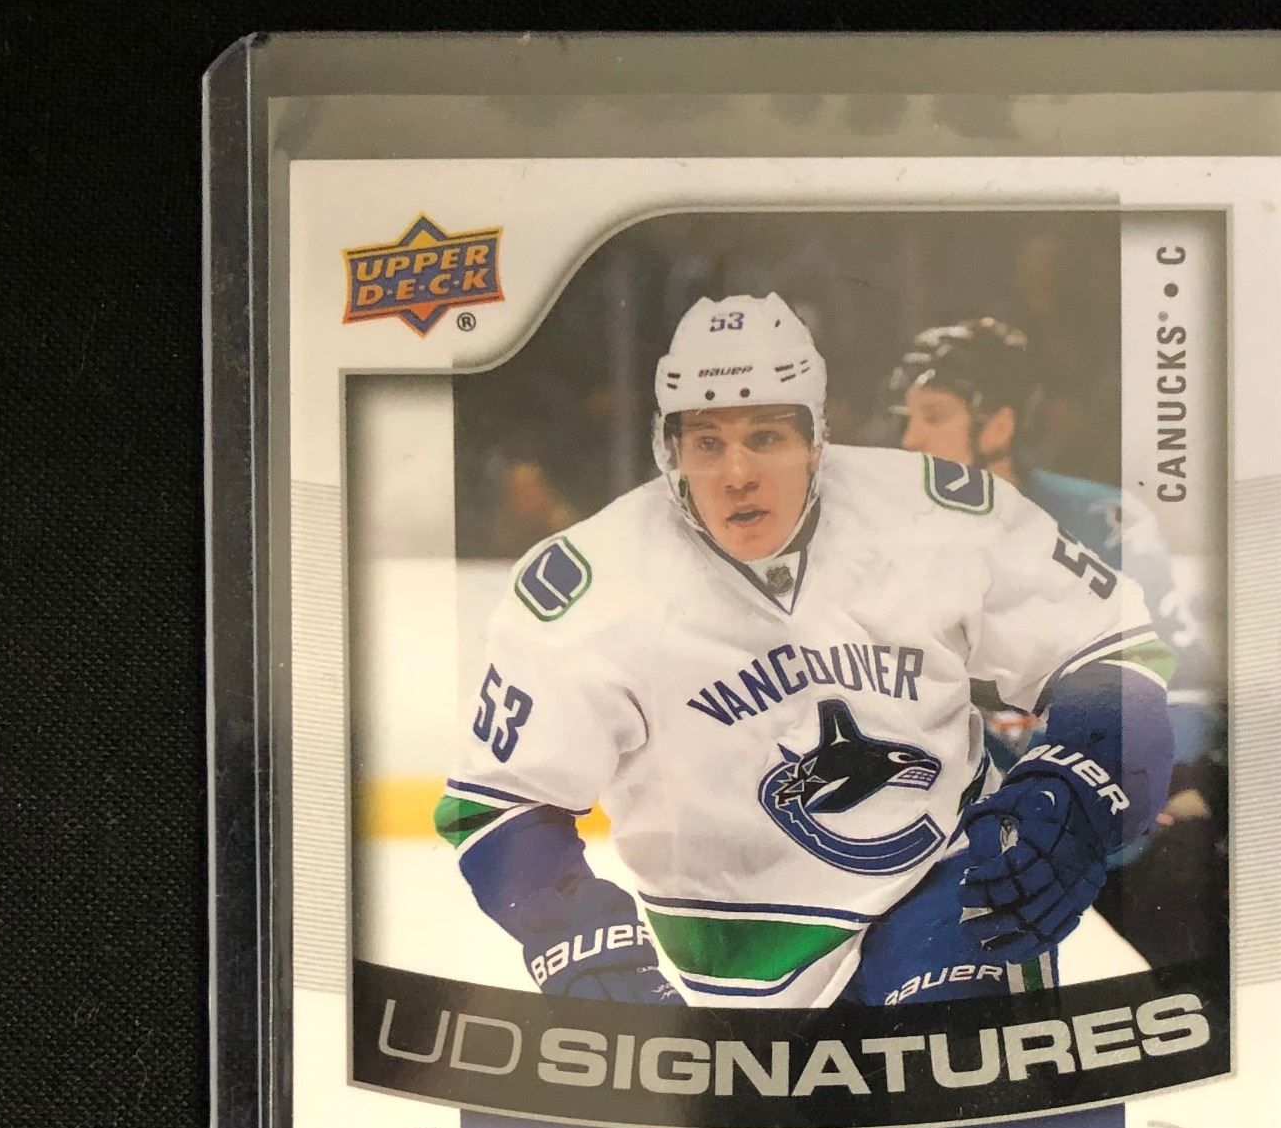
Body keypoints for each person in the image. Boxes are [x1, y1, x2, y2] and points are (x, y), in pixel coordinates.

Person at [435, 293, 1174, 1008]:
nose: (738, 474)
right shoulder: (590, 585)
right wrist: (580, 942)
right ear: (669, 450)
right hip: (731, 949)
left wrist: (1080, 789)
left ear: (817, 441)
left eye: (766, 437)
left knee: (949, 1062)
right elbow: (500, 801)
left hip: (945, 888)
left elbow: (1111, 650)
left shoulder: (936, 511)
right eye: (708, 442)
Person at [889, 317, 1224, 965]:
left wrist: (1148, 781)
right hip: (975, 846)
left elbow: (1183, 682)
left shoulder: (1104, 522)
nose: (909, 439)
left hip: (1121, 829)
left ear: (997, 426)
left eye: (932, 416)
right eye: (909, 418)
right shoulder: (884, 547)